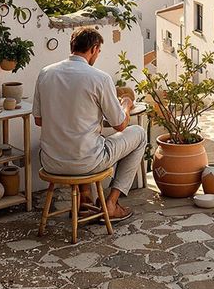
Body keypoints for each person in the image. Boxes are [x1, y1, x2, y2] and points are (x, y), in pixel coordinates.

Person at [34, 27, 144, 220]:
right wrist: (126, 104)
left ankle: (84, 199)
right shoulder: (99, 78)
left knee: (85, 139)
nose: (98, 55)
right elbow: (119, 124)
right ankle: (111, 203)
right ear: (94, 48)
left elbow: (39, 120)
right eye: (99, 51)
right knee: (139, 134)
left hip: (50, 162)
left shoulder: (45, 73)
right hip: (86, 162)